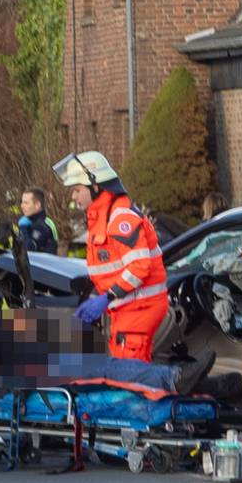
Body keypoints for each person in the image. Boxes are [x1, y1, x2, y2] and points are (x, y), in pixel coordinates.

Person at [54, 151, 169, 362]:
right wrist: (93, 294)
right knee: (126, 370)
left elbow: (139, 267)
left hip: (139, 308)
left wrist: (106, 298)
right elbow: (111, 266)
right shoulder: (105, 216)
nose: (74, 196)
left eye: (77, 190)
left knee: (129, 377)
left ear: (95, 186)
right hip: (130, 307)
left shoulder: (119, 218)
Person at [18, 187, 59, 254]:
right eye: (22, 202)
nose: (22, 206)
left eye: (26, 203)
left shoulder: (44, 225)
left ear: (37, 205)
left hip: (43, 263)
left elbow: (29, 249)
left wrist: (23, 228)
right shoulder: (28, 221)